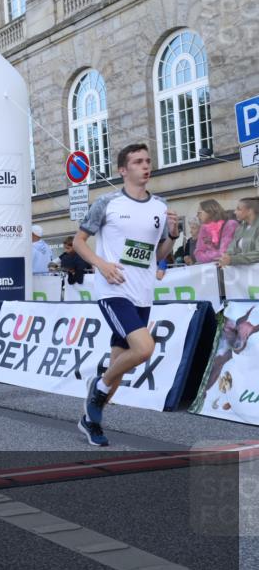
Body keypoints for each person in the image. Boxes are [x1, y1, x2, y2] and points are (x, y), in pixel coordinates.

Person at [72, 143, 179, 447]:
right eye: (137, 162)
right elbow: (79, 242)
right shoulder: (106, 203)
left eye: (147, 161)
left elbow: (159, 254)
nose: (145, 166)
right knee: (144, 348)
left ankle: (91, 421)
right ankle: (99, 386)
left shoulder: (160, 206)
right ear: (123, 170)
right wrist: (102, 265)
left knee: (121, 360)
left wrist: (172, 235)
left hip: (143, 292)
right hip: (113, 289)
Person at [218, 197, 259, 268]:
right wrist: (225, 257)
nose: (235, 212)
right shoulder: (240, 228)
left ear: (250, 211)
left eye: (238, 209)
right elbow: (232, 247)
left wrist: (233, 259)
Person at [194, 199, 237, 264]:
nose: (197, 216)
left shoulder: (230, 224)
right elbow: (198, 253)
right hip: (211, 270)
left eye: (199, 212)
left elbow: (224, 253)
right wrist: (215, 255)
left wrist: (207, 253)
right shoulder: (203, 228)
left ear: (210, 211)